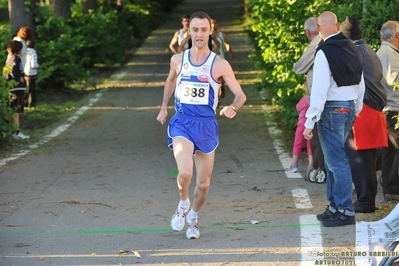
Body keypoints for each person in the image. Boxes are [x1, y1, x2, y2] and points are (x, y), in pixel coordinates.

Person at [156, 11, 246, 239]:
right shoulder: (178, 60)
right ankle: (183, 203)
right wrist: (164, 107)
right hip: (182, 123)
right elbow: (170, 80)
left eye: (203, 30)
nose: (199, 34)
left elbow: (240, 95)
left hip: (206, 126)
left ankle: (194, 218)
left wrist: (233, 107)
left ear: (210, 31)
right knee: (185, 172)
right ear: (188, 31)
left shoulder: (220, 65)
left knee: (203, 185)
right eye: (195, 29)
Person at [303, 11, 365, 227]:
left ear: (318, 28)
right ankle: (334, 206)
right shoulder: (353, 48)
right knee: (333, 161)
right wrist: (356, 108)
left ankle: (345, 210)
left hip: (331, 109)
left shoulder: (323, 52)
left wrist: (309, 122)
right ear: (338, 25)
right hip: (349, 107)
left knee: (336, 162)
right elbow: (361, 82)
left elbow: (319, 91)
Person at [340, 16, 387, 213]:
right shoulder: (368, 50)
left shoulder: (353, 52)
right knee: (368, 160)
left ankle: (365, 201)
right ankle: (367, 200)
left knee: (360, 159)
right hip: (372, 109)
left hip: (363, 109)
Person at [293, 17, 325, 181]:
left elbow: (299, 68)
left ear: (308, 32)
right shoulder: (333, 41)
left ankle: (319, 169)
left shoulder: (316, 44)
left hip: (318, 98)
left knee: (316, 135)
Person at [376, 20, 399, 202]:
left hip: (387, 108)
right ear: (396, 35)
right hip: (393, 108)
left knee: (389, 152)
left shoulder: (386, 52)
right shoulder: (389, 54)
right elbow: (393, 80)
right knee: (393, 150)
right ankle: (392, 188)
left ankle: (391, 190)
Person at [3, 40, 29, 139]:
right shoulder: (16, 59)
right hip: (17, 87)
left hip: (10, 87)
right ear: (18, 50)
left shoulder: (8, 59)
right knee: (16, 110)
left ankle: (11, 130)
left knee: (12, 109)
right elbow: (14, 71)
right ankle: (17, 132)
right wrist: (19, 78)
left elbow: (5, 73)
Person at [289, 83, 313, 173]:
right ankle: (310, 165)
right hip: (311, 126)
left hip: (302, 124)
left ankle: (294, 164)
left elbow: (298, 107)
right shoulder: (315, 100)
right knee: (310, 146)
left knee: (297, 144)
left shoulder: (304, 99)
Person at [211, 18, 234, 105]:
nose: (213, 25)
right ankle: (216, 99)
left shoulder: (222, 35)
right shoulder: (205, 35)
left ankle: (221, 86)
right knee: (212, 80)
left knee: (221, 79)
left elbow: (227, 44)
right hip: (210, 61)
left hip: (220, 59)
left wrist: (230, 52)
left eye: (215, 23)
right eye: (211, 24)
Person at [24, 39, 40, 109]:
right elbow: (34, 65)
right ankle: (31, 104)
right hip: (32, 74)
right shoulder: (33, 53)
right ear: (34, 46)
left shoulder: (24, 53)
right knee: (32, 90)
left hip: (25, 73)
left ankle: (25, 103)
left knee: (26, 89)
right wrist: (38, 65)